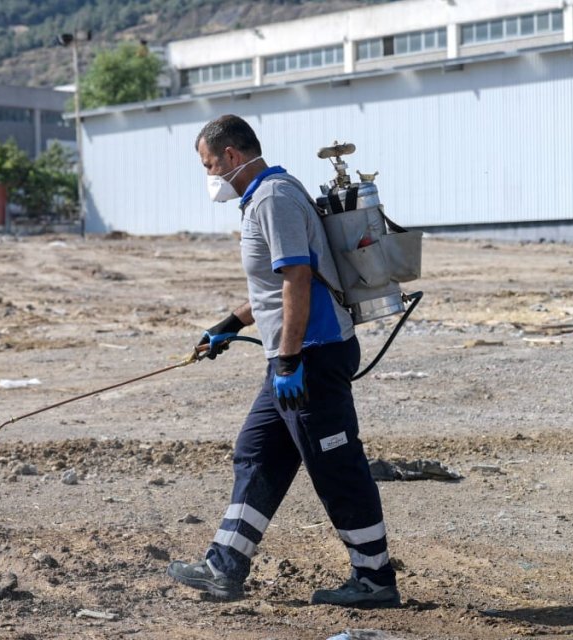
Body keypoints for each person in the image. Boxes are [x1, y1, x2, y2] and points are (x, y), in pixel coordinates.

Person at [165, 115, 399, 608]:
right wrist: (230, 324)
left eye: (210, 165)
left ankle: (375, 580)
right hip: (291, 359)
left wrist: (289, 361)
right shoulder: (264, 198)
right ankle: (223, 566)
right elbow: (275, 287)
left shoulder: (273, 198)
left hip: (310, 356)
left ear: (232, 156)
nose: (210, 177)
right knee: (256, 452)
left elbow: (297, 279)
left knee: (336, 467)